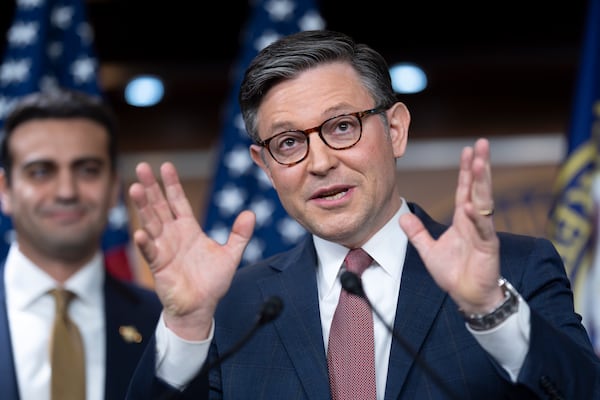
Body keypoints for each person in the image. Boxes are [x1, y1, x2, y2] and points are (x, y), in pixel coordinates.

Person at [126, 30, 600, 399]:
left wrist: (489, 310)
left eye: (341, 126)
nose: (320, 161)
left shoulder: (515, 271)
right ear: (265, 165)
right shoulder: (232, 306)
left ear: (394, 130)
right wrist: (186, 327)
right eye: (289, 143)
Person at [0, 89, 162, 400]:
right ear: (5, 190)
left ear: (114, 186)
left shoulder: (162, 322)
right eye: (41, 171)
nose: (66, 191)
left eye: (88, 170)